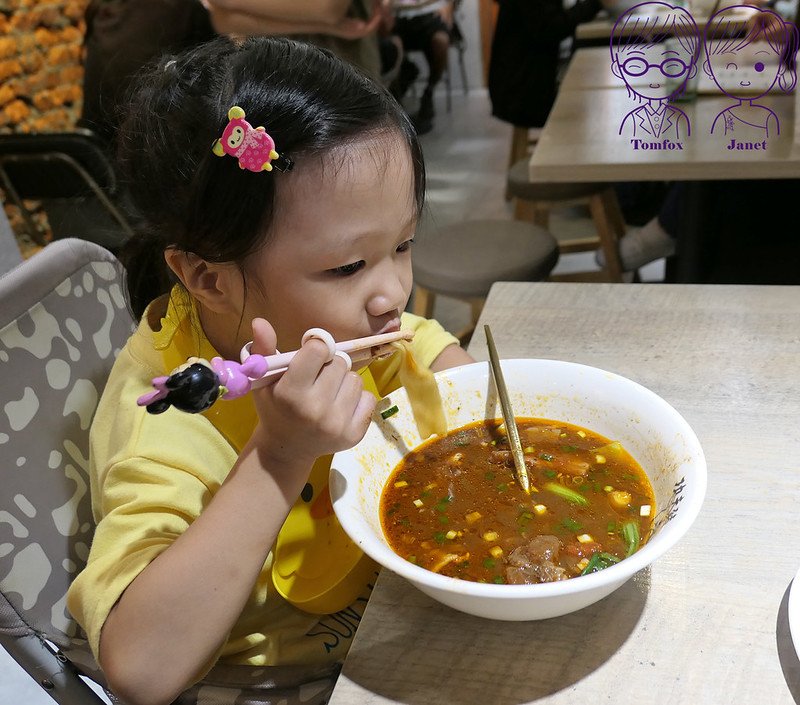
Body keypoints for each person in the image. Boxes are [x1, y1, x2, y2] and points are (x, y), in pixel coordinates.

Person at [66, 35, 474, 705]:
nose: (391, 291)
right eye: (348, 267)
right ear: (207, 277)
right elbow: (140, 666)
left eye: (402, 244)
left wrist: (465, 400)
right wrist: (278, 454)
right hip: (283, 682)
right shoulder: (167, 416)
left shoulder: (341, 322)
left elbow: (419, 343)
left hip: (394, 613)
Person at [488, 0, 614, 132]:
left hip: (522, 84)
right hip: (523, 93)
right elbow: (550, 27)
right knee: (593, 109)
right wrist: (595, 4)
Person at [391, 0, 454, 134]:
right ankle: (398, 92)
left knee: (441, 42)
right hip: (399, 17)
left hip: (430, 16)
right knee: (392, 46)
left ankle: (428, 92)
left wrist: (449, 10)